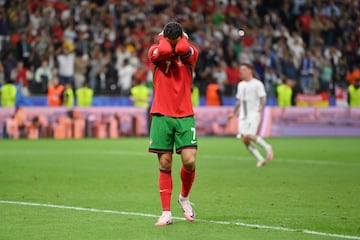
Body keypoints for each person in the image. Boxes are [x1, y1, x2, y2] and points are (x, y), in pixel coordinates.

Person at [147, 22, 199, 226]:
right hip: (161, 114)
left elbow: (184, 49)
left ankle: (184, 197)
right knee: (165, 163)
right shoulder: (154, 50)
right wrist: (165, 38)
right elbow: (166, 50)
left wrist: (181, 38)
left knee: (189, 161)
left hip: (185, 114)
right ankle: (166, 212)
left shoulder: (191, 52)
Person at [228, 63, 274, 167]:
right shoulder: (241, 85)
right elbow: (239, 101)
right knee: (244, 139)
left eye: (243, 70)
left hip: (254, 113)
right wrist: (233, 113)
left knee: (249, 135)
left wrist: (262, 106)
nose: (241, 72)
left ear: (250, 70)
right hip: (242, 116)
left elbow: (263, 97)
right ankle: (261, 159)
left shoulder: (257, 84)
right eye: (241, 70)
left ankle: (267, 147)